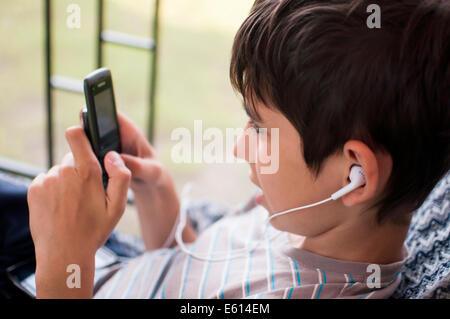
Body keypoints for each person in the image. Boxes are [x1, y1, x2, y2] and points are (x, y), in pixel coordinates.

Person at [26, 0, 449, 298]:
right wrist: (160, 195)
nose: (240, 146)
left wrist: (66, 263)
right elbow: (196, 275)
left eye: (260, 127)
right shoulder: (301, 215)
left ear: (354, 174)